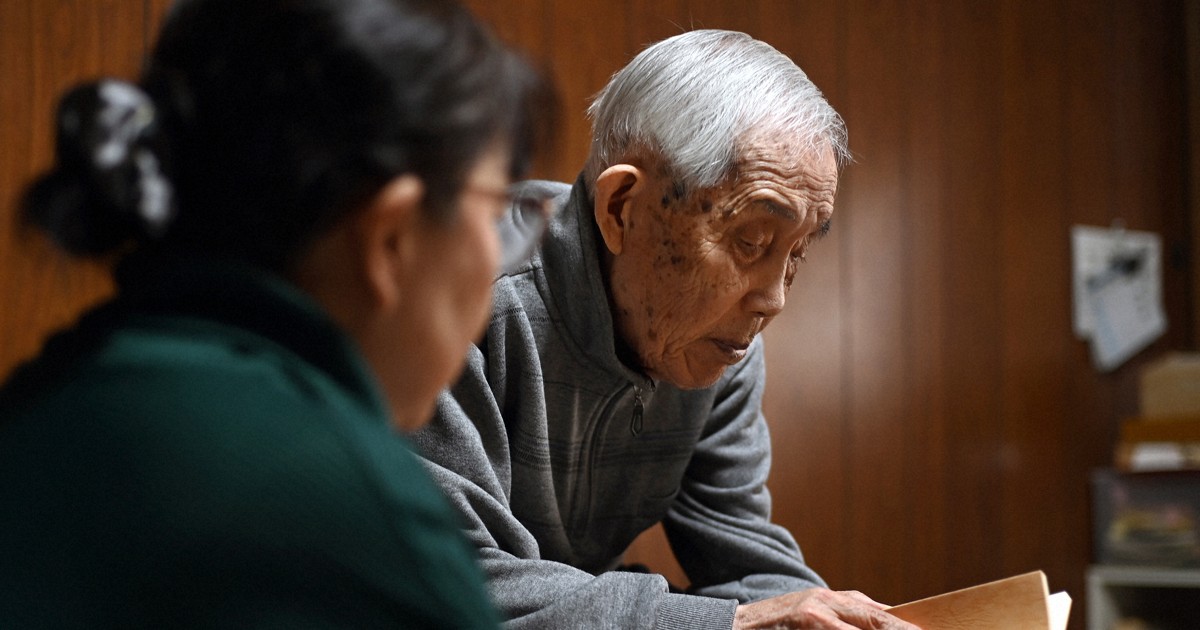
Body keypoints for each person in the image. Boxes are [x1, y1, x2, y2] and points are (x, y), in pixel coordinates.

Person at [0, 0, 551, 626]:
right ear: (392, 237)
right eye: (494, 212)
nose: (499, 259)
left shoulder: (44, 396)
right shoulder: (353, 516)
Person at [410, 29, 920, 630]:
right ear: (622, 207)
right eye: (750, 241)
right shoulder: (462, 295)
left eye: (798, 252)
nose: (773, 299)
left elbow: (748, 559)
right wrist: (727, 623)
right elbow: (456, 581)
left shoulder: (714, 341)